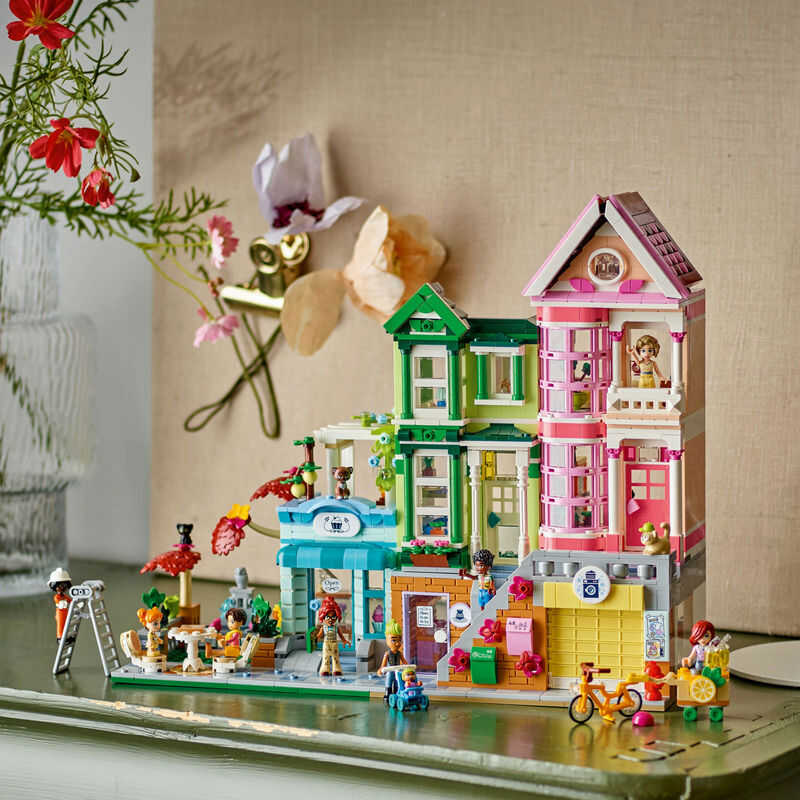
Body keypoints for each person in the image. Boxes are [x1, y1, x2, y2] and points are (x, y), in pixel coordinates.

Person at [316, 596, 350, 676]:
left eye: (333, 617)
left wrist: (344, 641)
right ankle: (325, 669)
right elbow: (319, 635)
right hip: (326, 644)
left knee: (335, 657)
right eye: (328, 617)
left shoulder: (336, 627)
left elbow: (341, 635)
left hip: (334, 644)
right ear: (323, 617)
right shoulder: (323, 627)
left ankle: (336, 669)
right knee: (325, 657)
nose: (330, 619)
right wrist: (315, 638)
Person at [377, 619, 407, 703]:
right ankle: (388, 694)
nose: (397, 643)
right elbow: (383, 664)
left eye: (399, 640)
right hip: (390, 671)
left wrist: (408, 668)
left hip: (398, 671)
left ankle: (397, 694)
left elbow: (404, 662)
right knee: (389, 682)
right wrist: (381, 669)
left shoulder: (399, 653)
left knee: (398, 682)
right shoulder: (387, 653)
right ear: (387, 640)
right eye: (394, 640)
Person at [48, 567, 72, 640]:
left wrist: (77, 604)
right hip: (60, 612)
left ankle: (66, 636)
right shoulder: (57, 597)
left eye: (64, 585)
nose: (62, 587)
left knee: (66, 624)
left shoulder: (64, 596)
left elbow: (70, 600)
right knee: (60, 625)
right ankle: (60, 638)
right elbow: (58, 601)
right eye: (60, 585)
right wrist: (63, 603)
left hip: (65, 612)